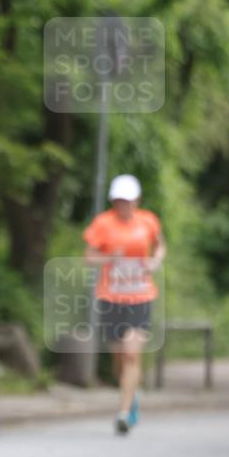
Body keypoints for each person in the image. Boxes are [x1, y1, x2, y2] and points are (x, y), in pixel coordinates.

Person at [83, 174, 166, 435]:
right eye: (119, 200)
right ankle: (132, 394)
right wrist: (109, 256)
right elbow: (88, 257)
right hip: (111, 297)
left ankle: (123, 413)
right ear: (113, 201)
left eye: (128, 201)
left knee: (132, 353)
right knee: (119, 360)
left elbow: (161, 245)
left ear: (136, 201)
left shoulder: (148, 221)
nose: (123, 205)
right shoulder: (103, 223)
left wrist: (156, 260)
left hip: (140, 296)